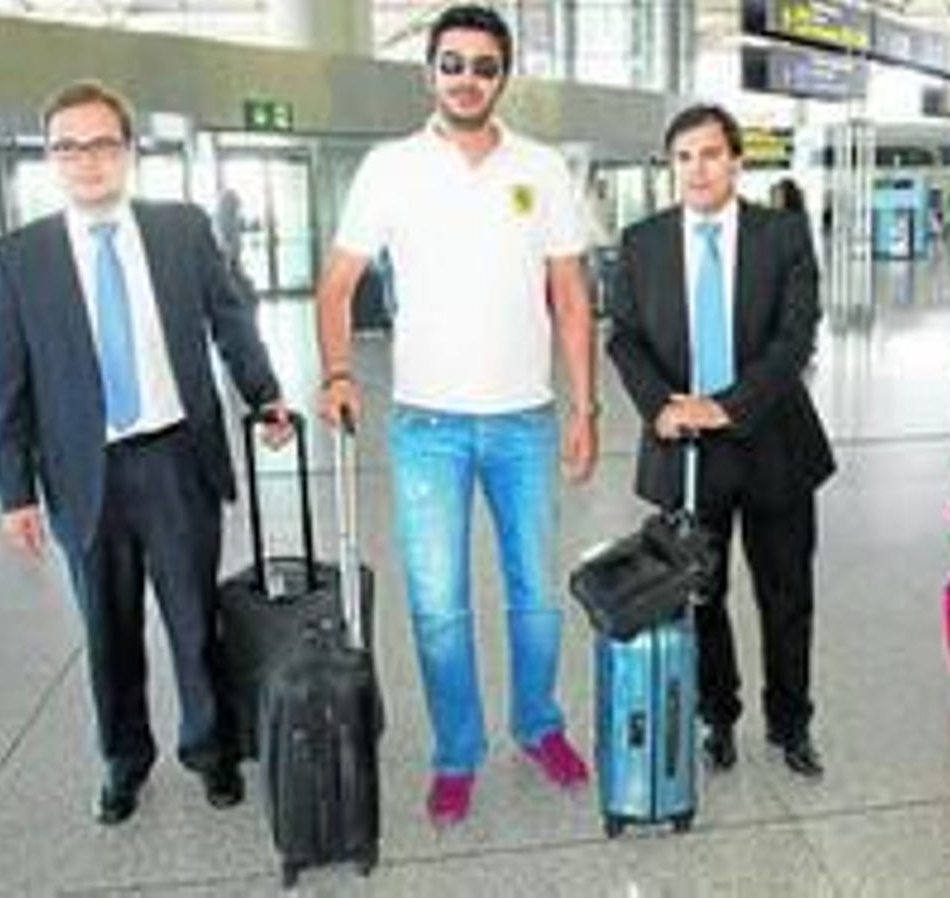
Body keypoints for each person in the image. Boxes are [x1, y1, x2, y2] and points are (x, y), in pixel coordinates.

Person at [314, 4, 598, 827]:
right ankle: (456, 751)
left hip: (526, 421)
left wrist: (585, 407)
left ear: (502, 77)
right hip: (427, 428)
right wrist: (336, 370)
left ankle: (538, 725)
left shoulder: (541, 167)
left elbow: (572, 297)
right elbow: (336, 287)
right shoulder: (389, 167)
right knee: (439, 605)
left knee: (536, 598)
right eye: (453, 63)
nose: (467, 78)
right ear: (429, 71)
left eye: (483, 65)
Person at [0, 80, 291, 827]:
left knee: (193, 622)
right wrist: (14, 493)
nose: (86, 160)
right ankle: (124, 762)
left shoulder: (180, 230)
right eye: (68, 146)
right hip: (83, 474)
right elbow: (8, 385)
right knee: (108, 631)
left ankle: (211, 750)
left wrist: (265, 394)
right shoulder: (20, 257)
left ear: (127, 151)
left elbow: (231, 321)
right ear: (50, 157)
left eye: (101, 143)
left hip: (177, 460)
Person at [608, 105, 835, 779]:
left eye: (711, 154)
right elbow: (624, 336)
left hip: (773, 442)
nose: (698, 169)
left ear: (737, 161)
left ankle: (791, 723)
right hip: (685, 453)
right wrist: (662, 408)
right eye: (684, 157)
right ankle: (719, 716)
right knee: (699, 593)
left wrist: (725, 408)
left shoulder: (783, 236)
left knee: (786, 594)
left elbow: (796, 338)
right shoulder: (644, 241)